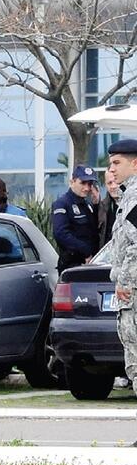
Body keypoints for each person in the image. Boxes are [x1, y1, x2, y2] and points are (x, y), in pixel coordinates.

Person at [107, 139, 137, 445]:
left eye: (117, 163)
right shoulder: (128, 198)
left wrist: (125, 281)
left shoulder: (136, 199)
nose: (111, 169)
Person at [52, 164, 100, 272]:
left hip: (90, 263)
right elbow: (61, 233)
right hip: (72, 264)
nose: (87, 188)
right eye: (82, 183)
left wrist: (96, 205)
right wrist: (85, 251)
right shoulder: (62, 203)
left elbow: (94, 231)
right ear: (72, 182)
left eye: (90, 184)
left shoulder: (87, 204)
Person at [99, 169, 120, 250]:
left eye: (116, 182)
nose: (113, 186)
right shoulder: (101, 207)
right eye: (109, 183)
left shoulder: (132, 205)